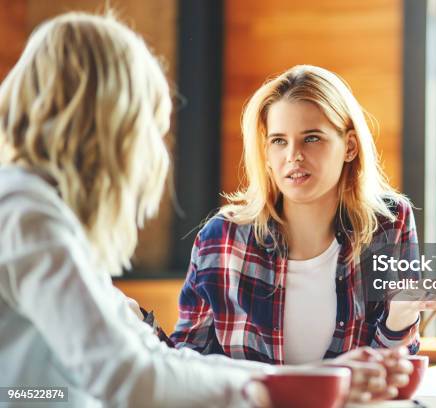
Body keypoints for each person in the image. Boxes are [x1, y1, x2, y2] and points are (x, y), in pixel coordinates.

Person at [0, 12, 275, 407]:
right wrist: (256, 391)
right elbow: (128, 377)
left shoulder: (41, 213)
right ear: (114, 123)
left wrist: (302, 377)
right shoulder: (28, 216)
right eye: (150, 125)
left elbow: (151, 356)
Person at [172, 65, 436, 401]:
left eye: (312, 138)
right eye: (279, 141)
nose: (293, 156)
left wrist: (399, 317)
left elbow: (390, 374)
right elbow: (186, 361)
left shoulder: (389, 222)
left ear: (349, 146)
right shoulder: (222, 237)